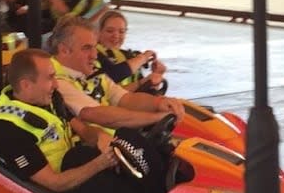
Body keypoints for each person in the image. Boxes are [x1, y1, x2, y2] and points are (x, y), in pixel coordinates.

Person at [0, 49, 165, 193]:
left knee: (126, 137)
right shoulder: (7, 129)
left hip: (77, 170)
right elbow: (54, 183)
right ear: (26, 85)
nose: (56, 84)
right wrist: (101, 163)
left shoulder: (48, 99)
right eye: (50, 78)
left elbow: (83, 129)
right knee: (84, 159)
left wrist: (100, 138)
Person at [49, 16, 183, 130]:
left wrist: (159, 103)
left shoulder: (90, 70)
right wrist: (156, 117)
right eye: (87, 48)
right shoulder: (54, 80)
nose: (95, 55)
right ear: (64, 50)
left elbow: (125, 99)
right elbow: (100, 115)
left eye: (95, 47)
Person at [96, 11, 167, 93]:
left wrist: (157, 75)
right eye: (110, 31)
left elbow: (145, 93)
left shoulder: (128, 56)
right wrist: (143, 58)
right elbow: (113, 75)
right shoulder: (93, 54)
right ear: (98, 32)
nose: (116, 35)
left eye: (121, 32)